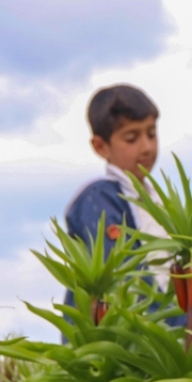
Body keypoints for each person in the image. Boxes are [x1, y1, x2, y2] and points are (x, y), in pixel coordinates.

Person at [63, 84, 172, 313]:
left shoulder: (161, 203)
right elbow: (126, 278)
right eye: (131, 138)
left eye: (151, 133)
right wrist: (181, 322)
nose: (147, 147)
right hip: (128, 338)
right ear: (100, 146)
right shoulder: (98, 199)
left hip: (167, 328)